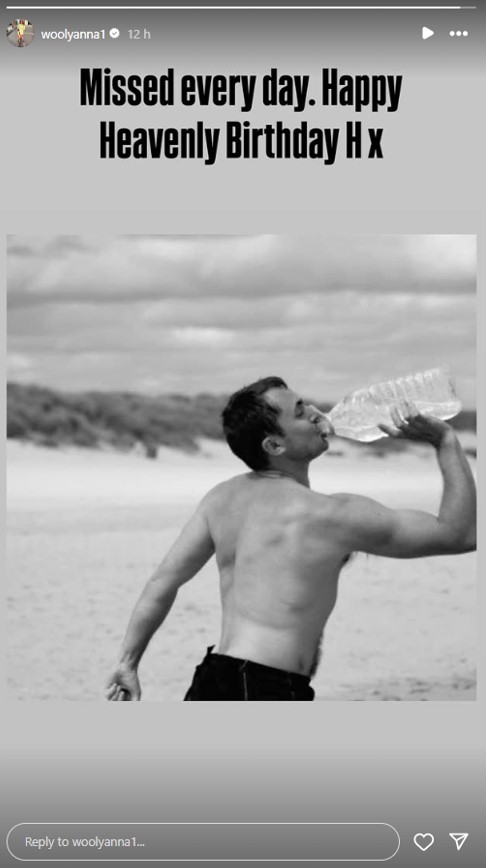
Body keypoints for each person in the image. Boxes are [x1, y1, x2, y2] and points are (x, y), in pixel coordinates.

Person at [105, 376, 476, 701]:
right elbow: (459, 534)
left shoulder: (221, 499)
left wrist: (128, 663)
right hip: (266, 689)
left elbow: (163, 582)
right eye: (299, 412)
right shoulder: (329, 514)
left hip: (213, 678)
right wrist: (445, 441)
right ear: (274, 446)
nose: (316, 412)